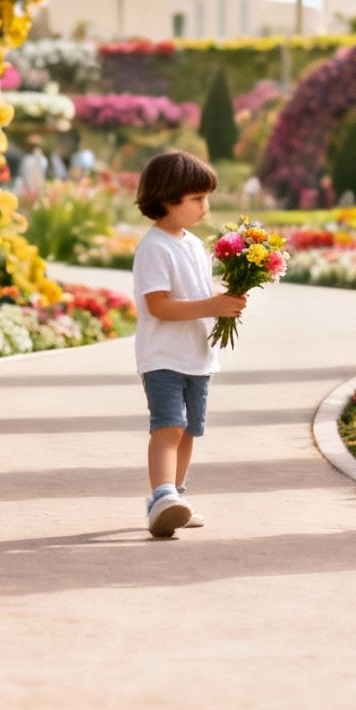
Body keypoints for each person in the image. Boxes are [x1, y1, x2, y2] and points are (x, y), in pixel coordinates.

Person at [130, 149, 245, 538]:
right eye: (196, 199)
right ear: (167, 199)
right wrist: (211, 304)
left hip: (197, 355)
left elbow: (200, 293)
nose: (205, 207)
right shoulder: (154, 247)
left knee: (190, 430)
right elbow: (158, 305)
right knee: (168, 428)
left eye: (206, 198)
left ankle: (176, 497)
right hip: (162, 355)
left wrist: (225, 300)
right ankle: (160, 496)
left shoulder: (193, 245)